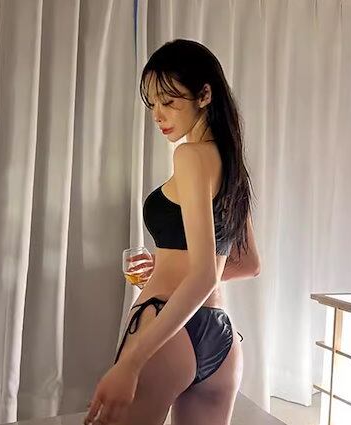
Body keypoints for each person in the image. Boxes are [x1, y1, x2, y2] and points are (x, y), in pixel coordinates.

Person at [84, 38, 261, 425]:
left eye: (169, 101)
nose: (158, 115)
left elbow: (202, 275)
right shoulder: (233, 167)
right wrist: (170, 265)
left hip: (166, 325)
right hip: (220, 337)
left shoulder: (190, 156)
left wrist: (131, 363)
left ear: (204, 95)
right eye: (152, 104)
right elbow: (248, 264)